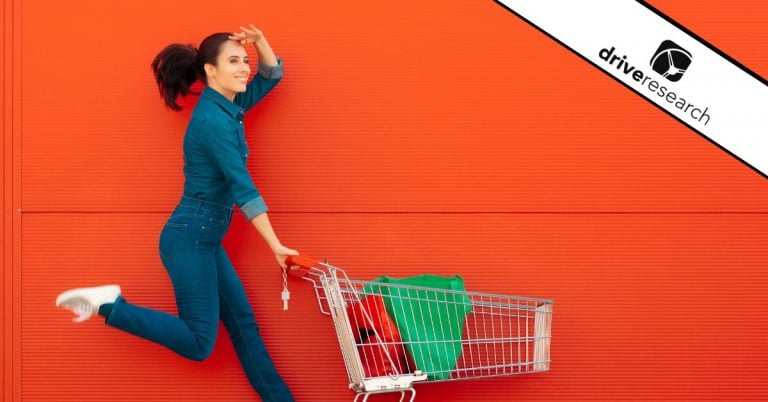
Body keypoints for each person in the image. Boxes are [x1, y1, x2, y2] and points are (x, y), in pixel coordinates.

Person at [55, 24, 297, 401]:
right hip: (189, 238)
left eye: (244, 61)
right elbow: (242, 186)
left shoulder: (228, 106)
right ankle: (110, 305)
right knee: (201, 343)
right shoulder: (214, 122)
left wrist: (261, 41)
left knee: (244, 327)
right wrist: (276, 245)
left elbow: (272, 75)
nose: (244, 68)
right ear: (211, 72)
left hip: (204, 238)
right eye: (233, 62)